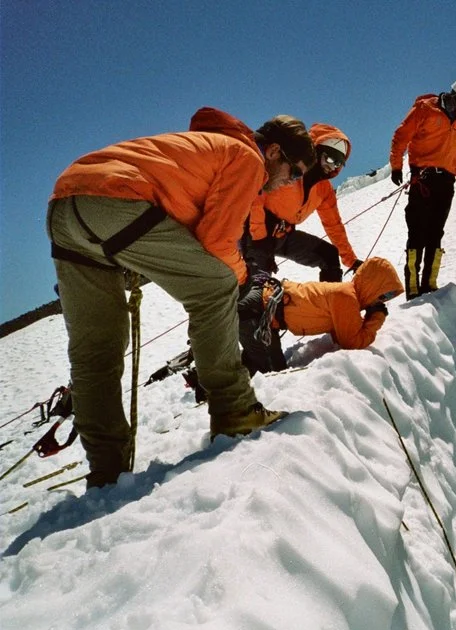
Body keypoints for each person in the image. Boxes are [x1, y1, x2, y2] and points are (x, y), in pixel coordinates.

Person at [46, 107, 316, 488]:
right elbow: (217, 242)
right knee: (217, 286)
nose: (290, 183)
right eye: (296, 172)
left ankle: (107, 470)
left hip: (65, 205)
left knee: (97, 349)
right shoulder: (246, 158)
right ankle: (236, 410)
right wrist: (242, 279)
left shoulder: (207, 148)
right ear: (273, 153)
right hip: (116, 200)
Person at [389, 76, 456, 300]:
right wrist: (396, 166)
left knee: (435, 234)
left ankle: (429, 284)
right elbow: (401, 137)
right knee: (417, 233)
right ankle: (412, 287)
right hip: (423, 180)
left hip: (446, 184)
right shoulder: (425, 109)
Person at [237, 257, 404, 375]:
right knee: (273, 378)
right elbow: (352, 342)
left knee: (251, 368)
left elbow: (343, 334)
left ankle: (214, 393)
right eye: (384, 295)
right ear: (372, 287)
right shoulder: (347, 297)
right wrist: (377, 316)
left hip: (263, 311)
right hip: (257, 312)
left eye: (388, 296)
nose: (383, 300)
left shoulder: (346, 295)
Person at [244, 123, 362, 283]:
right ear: (316, 149)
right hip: (253, 233)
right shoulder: (287, 168)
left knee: (329, 255)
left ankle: (331, 303)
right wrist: (260, 240)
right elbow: (255, 198)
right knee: (258, 285)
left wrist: (351, 260)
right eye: (329, 158)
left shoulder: (324, 189)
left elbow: (334, 226)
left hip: (283, 236)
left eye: (338, 163)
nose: (331, 166)